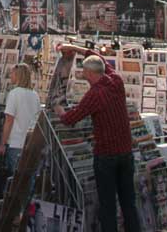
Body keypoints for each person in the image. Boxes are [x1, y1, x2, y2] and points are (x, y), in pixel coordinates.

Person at [54, 46, 141, 232]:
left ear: (90, 73)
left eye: (84, 72)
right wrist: (75, 48)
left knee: (107, 205)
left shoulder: (94, 94)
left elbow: (71, 118)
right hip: (126, 152)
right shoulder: (116, 81)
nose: (83, 75)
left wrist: (59, 110)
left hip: (107, 156)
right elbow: (99, 57)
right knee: (128, 203)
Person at [0, 63, 42, 173]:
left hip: (16, 143)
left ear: (18, 75)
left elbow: (9, 120)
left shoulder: (14, 94)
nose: (10, 76)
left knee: (15, 179)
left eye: (12, 73)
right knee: (27, 179)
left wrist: (2, 143)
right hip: (30, 143)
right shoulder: (35, 95)